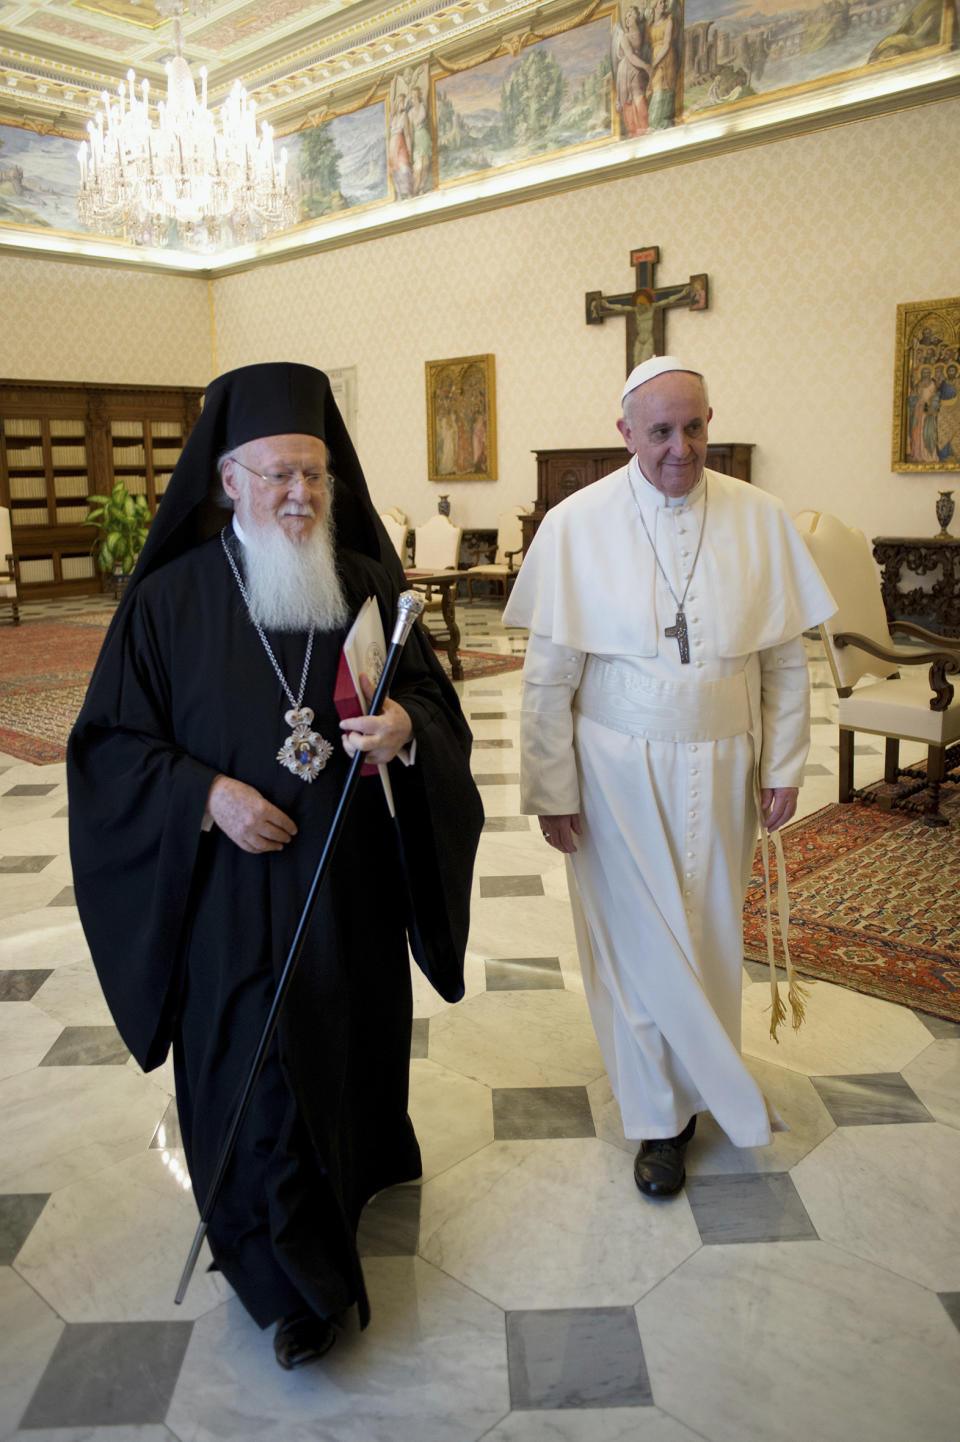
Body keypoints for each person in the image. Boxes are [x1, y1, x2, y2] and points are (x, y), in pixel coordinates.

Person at [68, 362, 483, 1367]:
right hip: (229, 908)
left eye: (314, 473)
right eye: (277, 475)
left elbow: (433, 708)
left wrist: (404, 730)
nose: (300, 495)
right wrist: (205, 795)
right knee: (261, 1092)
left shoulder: (369, 584)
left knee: (340, 1065)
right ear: (226, 480)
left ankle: (353, 1180)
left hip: (346, 894)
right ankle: (295, 1288)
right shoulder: (166, 604)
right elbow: (110, 749)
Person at [503, 355, 834, 1199]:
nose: (681, 449)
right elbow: (548, 674)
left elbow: (783, 663)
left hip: (725, 763)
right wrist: (551, 788)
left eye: (695, 427)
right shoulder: (576, 524)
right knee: (633, 942)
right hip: (614, 765)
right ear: (624, 433)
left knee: (712, 930)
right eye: (660, 431)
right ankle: (658, 1120)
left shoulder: (758, 518)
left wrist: (784, 765)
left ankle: (695, 1078)